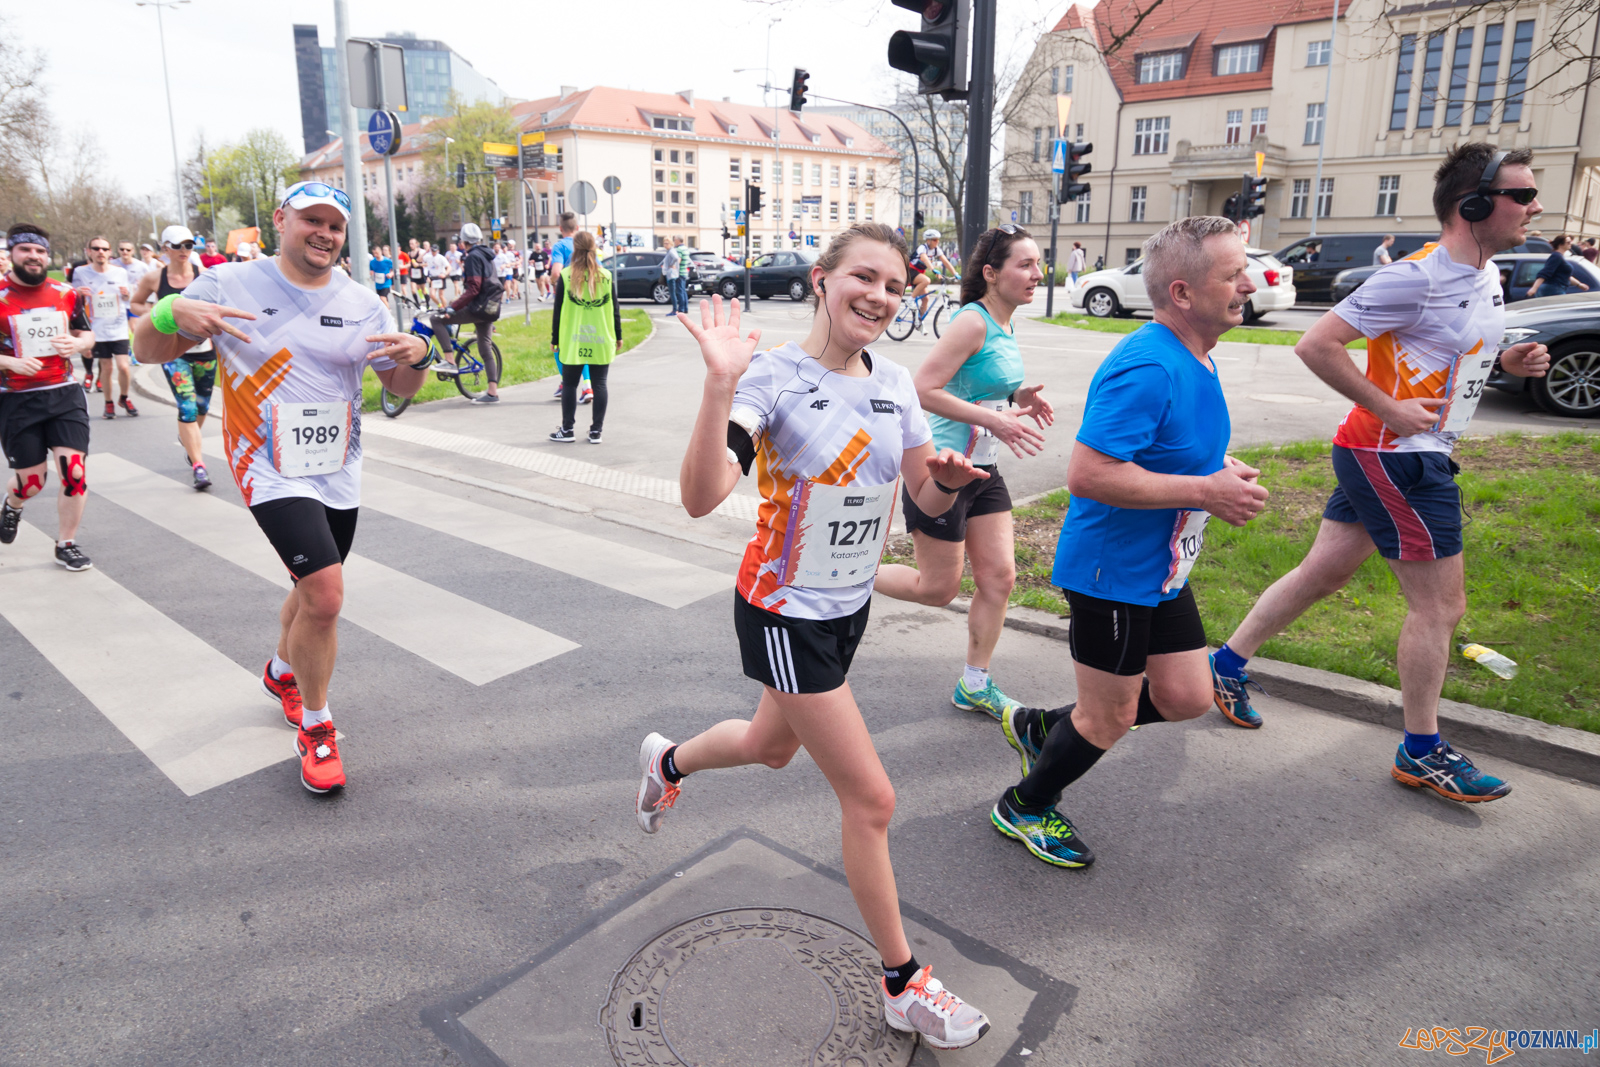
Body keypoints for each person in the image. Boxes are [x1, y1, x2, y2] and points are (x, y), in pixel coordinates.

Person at [635, 222, 993, 1050]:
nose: (879, 294)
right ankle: (904, 982)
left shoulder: (898, 384)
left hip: (845, 606)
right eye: (863, 276)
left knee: (769, 746)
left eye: (896, 285)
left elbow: (921, 503)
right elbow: (700, 496)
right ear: (821, 281)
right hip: (782, 609)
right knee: (871, 798)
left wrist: (944, 486)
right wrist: (719, 386)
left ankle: (667, 760)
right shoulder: (771, 379)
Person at [1210, 143, 1551, 802]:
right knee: (1440, 606)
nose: (1534, 206)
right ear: (1473, 204)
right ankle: (1421, 750)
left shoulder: (1484, 273)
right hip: (1398, 456)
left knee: (1324, 572)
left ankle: (1224, 664)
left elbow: (1448, 351)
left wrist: (1504, 362)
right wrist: (1390, 406)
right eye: (1522, 194)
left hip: (1393, 450)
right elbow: (1317, 343)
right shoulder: (1415, 276)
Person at [132, 179, 431, 794]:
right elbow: (147, 348)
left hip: (337, 468)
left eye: (335, 225)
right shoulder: (227, 284)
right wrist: (167, 312)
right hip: (263, 461)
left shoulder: (362, 302)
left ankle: (280, 672)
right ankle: (317, 729)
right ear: (280, 221)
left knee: (309, 585)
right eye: (311, 221)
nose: (324, 233)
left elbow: (397, 388)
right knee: (325, 594)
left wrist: (420, 353)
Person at [990, 216, 1269, 868]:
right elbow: (1088, 473)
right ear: (1182, 292)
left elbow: (1175, 445)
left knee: (1186, 695)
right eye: (1232, 275)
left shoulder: (1197, 352)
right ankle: (1025, 805)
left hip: (1162, 566)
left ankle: (1043, 726)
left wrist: (1218, 471)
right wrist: (1207, 493)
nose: (1247, 284)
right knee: (1110, 716)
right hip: (1111, 572)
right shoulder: (1148, 365)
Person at [876, 226, 1052, 720]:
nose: (1037, 274)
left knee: (998, 577)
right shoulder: (972, 321)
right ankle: (851, 572)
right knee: (938, 590)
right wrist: (994, 418)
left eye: (1038, 264)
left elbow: (974, 386)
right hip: (943, 471)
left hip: (985, 470)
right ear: (992, 274)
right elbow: (923, 389)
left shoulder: (1006, 322)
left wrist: (1018, 400)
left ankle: (975, 683)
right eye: (1025, 264)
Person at [0, 225, 96, 571]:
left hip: (64, 393)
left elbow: (87, 334)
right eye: (25, 250)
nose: (34, 257)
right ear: (12, 253)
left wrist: (79, 344)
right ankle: (13, 504)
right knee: (32, 482)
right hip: (16, 398)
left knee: (74, 474)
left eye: (40, 251)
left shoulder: (66, 293)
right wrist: (9, 361)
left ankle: (66, 544)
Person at [131, 227, 218, 489]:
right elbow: (135, 304)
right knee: (187, 407)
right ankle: (199, 465)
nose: (184, 251)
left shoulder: (205, 276)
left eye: (189, 245)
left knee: (202, 406)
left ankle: (189, 440)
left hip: (204, 351)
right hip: (173, 353)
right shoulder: (154, 278)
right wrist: (156, 312)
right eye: (178, 245)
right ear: (165, 248)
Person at [548, 232, 620, 442]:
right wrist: (618, 335)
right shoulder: (605, 276)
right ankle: (596, 431)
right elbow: (615, 308)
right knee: (600, 384)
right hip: (600, 337)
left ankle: (567, 430)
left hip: (572, 338)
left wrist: (555, 339)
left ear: (575, 249)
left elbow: (558, 310)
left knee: (569, 384)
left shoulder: (566, 275)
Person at [429, 222, 503, 404]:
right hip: (491, 307)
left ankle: (449, 361)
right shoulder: (488, 255)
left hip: (478, 306)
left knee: (436, 319)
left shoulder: (472, 258)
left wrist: (453, 307)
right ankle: (492, 393)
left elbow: (474, 288)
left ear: (463, 241)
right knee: (485, 346)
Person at [70, 236, 138, 420]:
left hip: (118, 327)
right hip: (97, 328)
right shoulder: (80, 272)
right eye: (96, 248)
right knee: (106, 368)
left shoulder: (120, 273)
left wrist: (126, 294)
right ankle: (108, 402)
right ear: (89, 251)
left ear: (109, 252)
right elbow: (72, 300)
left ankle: (124, 397)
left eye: (105, 249)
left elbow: (128, 299)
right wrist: (77, 293)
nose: (101, 252)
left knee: (124, 367)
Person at [548, 213, 591, 403]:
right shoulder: (586, 246)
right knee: (584, 342)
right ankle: (587, 385)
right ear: (577, 228)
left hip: (567, 301)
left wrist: (552, 281)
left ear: (560, 228)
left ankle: (568, 382)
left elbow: (556, 272)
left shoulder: (559, 246)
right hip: (588, 300)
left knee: (560, 343)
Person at [908, 229, 958, 325]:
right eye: (935, 240)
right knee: (926, 280)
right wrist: (933, 269)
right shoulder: (922, 248)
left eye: (938, 239)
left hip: (920, 273)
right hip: (911, 271)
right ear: (928, 240)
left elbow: (946, 262)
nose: (937, 242)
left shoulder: (936, 250)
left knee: (926, 299)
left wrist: (955, 273)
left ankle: (918, 322)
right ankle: (910, 300)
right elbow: (925, 259)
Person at [425, 241, 450, 307]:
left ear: (438, 251)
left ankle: (445, 309)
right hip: (432, 277)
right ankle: (440, 305)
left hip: (440, 276)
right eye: (432, 251)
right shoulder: (428, 257)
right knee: (432, 295)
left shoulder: (441, 258)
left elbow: (449, 267)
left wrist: (445, 274)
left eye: (435, 251)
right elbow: (420, 260)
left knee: (441, 296)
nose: (433, 252)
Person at [672, 235, 691, 316]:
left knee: (679, 291)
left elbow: (678, 260)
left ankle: (681, 309)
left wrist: (673, 266)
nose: (674, 241)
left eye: (675, 240)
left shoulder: (679, 249)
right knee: (683, 290)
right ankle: (685, 308)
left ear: (678, 240)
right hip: (684, 272)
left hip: (679, 272)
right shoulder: (686, 248)